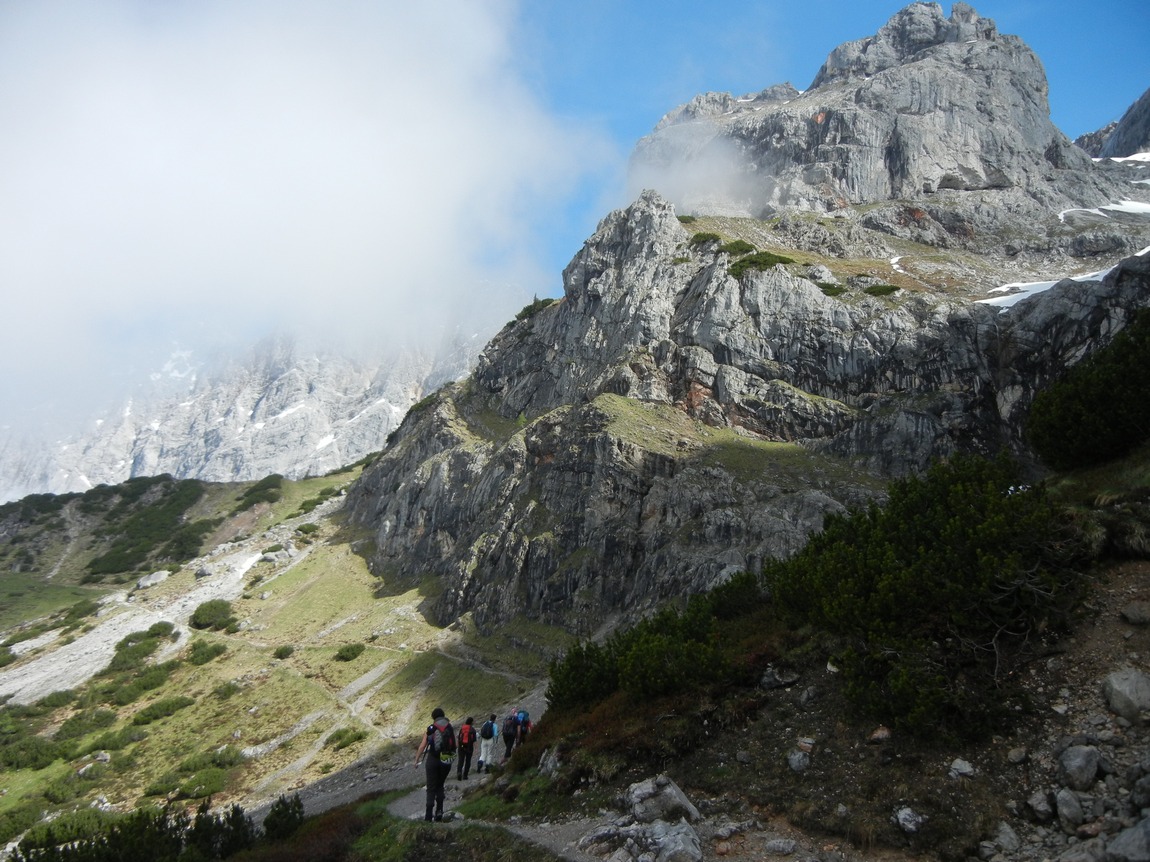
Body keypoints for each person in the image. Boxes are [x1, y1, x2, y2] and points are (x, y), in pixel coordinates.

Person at [414, 707, 455, 821]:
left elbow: (423, 746)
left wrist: (417, 759)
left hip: (433, 759)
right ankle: (439, 811)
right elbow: (453, 744)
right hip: (446, 759)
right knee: (440, 785)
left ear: (433, 717)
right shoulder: (449, 727)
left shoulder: (431, 728)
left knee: (431, 787)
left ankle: (428, 815)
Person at [456, 716, 475, 780]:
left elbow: (459, 737)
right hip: (469, 747)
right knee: (468, 761)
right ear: (471, 722)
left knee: (461, 760)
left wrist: (459, 745)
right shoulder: (472, 729)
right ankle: (465, 775)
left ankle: (459, 772)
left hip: (461, 746)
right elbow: (474, 740)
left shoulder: (462, 728)